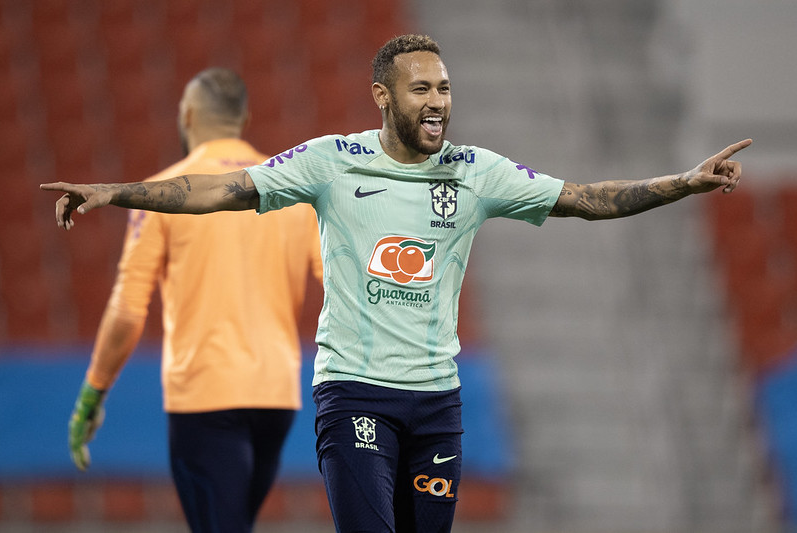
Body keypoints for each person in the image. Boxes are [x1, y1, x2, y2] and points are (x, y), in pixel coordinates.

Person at [44, 35, 750, 533]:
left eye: (444, 88)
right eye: (421, 89)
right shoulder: (331, 162)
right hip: (354, 391)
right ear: (383, 97)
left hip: (436, 402)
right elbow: (217, 190)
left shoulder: (476, 172)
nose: (437, 101)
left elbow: (587, 199)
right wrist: (116, 192)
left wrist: (684, 182)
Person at [65, 67, 323, 533]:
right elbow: (339, 283)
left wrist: (92, 393)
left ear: (186, 116)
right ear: (245, 119)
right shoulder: (292, 194)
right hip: (277, 398)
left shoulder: (160, 194)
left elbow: (127, 310)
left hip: (204, 397)